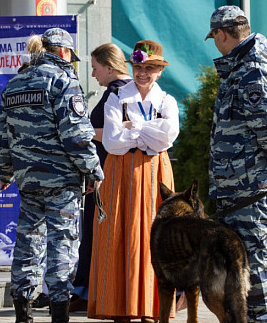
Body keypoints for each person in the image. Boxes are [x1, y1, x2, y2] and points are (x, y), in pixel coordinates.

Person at [0, 27, 104, 323]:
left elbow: (1, 136)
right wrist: (92, 171)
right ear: (63, 52)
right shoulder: (63, 81)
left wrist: (3, 172)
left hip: (28, 181)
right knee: (62, 244)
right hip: (61, 182)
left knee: (28, 243)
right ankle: (59, 316)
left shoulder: (14, 84)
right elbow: (76, 135)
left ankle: (22, 313)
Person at [204, 6, 267, 322]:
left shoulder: (252, 71)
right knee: (243, 257)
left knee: (255, 257)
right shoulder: (243, 67)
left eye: (214, 37)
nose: (215, 43)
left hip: (251, 188)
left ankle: (265, 319)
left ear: (221, 33)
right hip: (239, 186)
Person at [87, 40, 179, 323]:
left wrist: (134, 128)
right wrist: (149, 131)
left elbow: (168, 136)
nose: (142, 73)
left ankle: (152, 308)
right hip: (121, 173)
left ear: (160, 71)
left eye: (150, 68)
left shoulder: (167, 100)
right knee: (118, 234)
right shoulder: (117, 97)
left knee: (155, 236)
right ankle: (119, 306)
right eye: (139, 67)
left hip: (155, 175)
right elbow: (113, 142)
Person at [69, 43, 132, 313]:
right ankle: (90, 289)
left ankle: (92, 291)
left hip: (110, 174)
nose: (93, 74)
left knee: (98, 233)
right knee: (94, 233)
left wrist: (83, 130)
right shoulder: (116, 92)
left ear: (109, 66)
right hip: (104, 173)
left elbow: (121, 132)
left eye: (95, 68)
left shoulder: (120, 92)